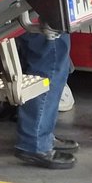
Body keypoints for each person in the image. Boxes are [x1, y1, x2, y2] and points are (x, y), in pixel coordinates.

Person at [11, 25, 77, 169]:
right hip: (43, 15)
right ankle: (36, 143)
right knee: (51, 60)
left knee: (44, 57)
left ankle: (39, 137)